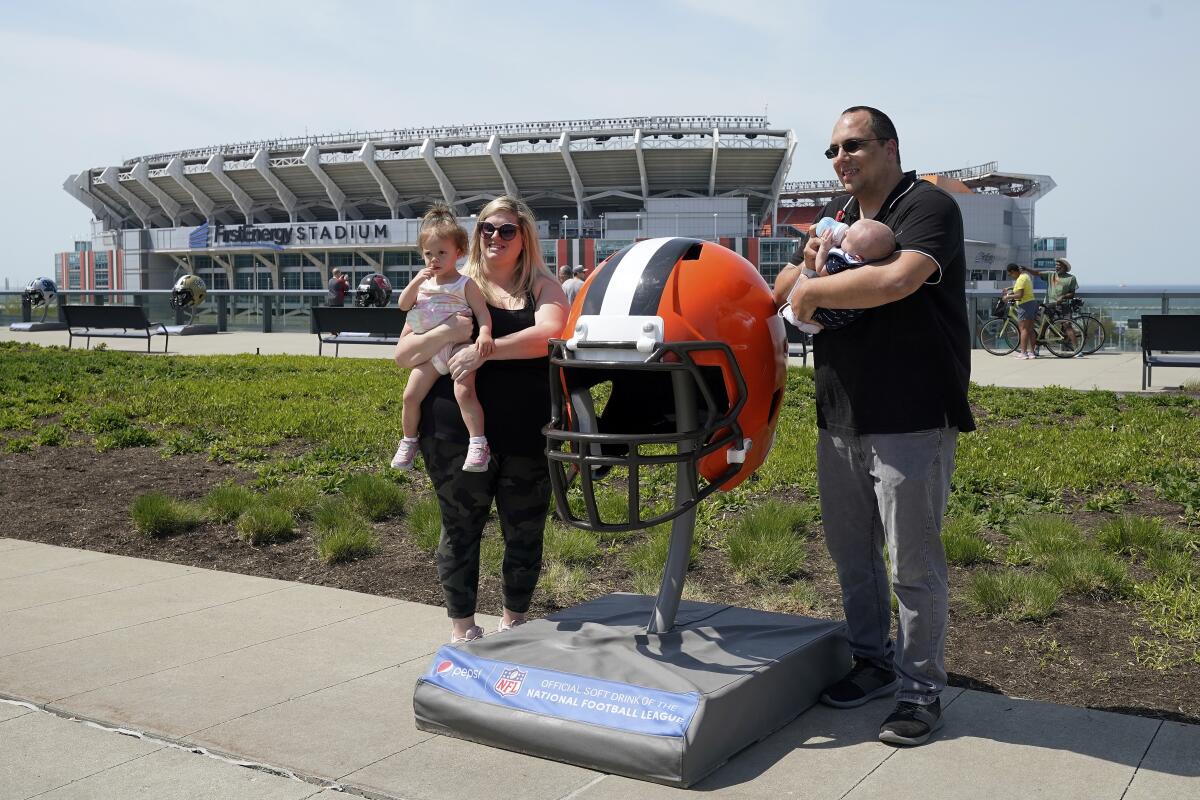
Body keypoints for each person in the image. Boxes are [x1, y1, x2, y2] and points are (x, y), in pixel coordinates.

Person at [772, 106, 975, 746]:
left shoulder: (926, 208)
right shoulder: (839, 222)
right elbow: (784, 289)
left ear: (890, 146)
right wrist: (807, 273)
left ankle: (920, 692)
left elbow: (896, 282)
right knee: (852, 555)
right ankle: (872, 663)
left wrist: (813, 293)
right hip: (840, 414)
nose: (841, 159)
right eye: (832, 150)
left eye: (854, 145)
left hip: (911, 414)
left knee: (913, 564)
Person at [392, 196, 568, 643]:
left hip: (528, 434)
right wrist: (448, 334)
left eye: (507, 230)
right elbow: (404, 354)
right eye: (488, 228)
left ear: (524, 238)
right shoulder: (448, 282)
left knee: (524, 531)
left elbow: (548, 336)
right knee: (460, 529)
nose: (495, 237)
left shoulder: (544, 288)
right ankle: (463, 629)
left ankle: (514, 622)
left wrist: (483, 349)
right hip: (453, 434)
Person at [391, 206, 494, 473]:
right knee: (410, 395)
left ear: (458, 253)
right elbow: (403, 305)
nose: (434, 259)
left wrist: (484, 333)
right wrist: (415, 281)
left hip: (459, 347)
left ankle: (478, 443)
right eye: (428, 254)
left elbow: (482, 314)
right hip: (430, 350)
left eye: (441, 253)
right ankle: (408, 441)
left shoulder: (465, 284)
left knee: (464, 390)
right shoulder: (423, 285)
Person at [782, 218, 896, 334]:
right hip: (847, 315)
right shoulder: (869, 261)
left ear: (856, 257)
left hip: (828, 315)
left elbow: (820, 270)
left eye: (847, 238)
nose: (845, 233)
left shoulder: (840, 262)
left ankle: (798, 319)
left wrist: (824, 248)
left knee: (803, 287)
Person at [1002, 263, 1038, 359]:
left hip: (1025, 305)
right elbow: (1020, 289)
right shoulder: (1025, 276)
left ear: (1013, 271)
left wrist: (1008, 296)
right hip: (1032, 303)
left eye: (1010, 274)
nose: (1011, 276)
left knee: (1024, 329)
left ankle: (1023, 353)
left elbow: (1019, 295)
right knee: (1030, 330)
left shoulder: (1020, 279)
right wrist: (1009, 289)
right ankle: (1032, 353)